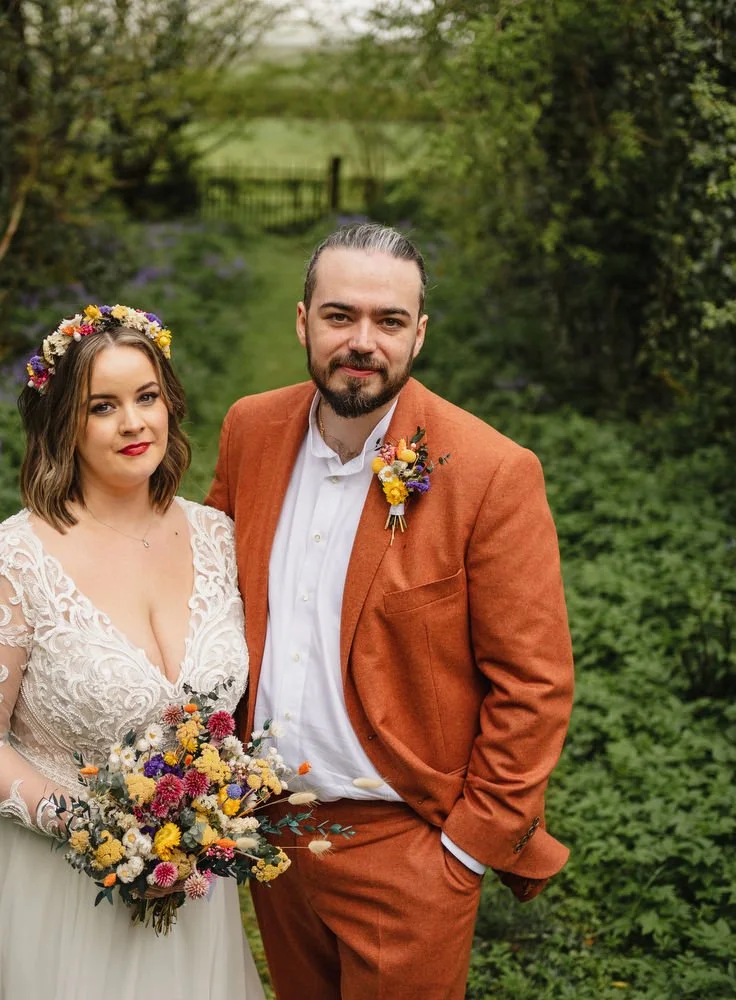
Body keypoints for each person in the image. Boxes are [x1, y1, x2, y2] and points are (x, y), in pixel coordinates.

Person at [205, 223, 576, 1000]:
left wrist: (464, 851)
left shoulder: (489, 472)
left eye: (389, 320)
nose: (362, 341)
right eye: (340, 316)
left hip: (405, 845)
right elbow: (210, 604)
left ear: (420, 334)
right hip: (269, 833)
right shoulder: (250, 430)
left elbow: (534, 684)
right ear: (302, 320)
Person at [0, 305, 265, 999]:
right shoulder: (17, 559)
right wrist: (91, 827)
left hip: (194, 891)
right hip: (61, 890)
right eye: (102, 407)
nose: (134, 423)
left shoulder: (217, 538)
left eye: (146, 398)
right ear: (63, 425)